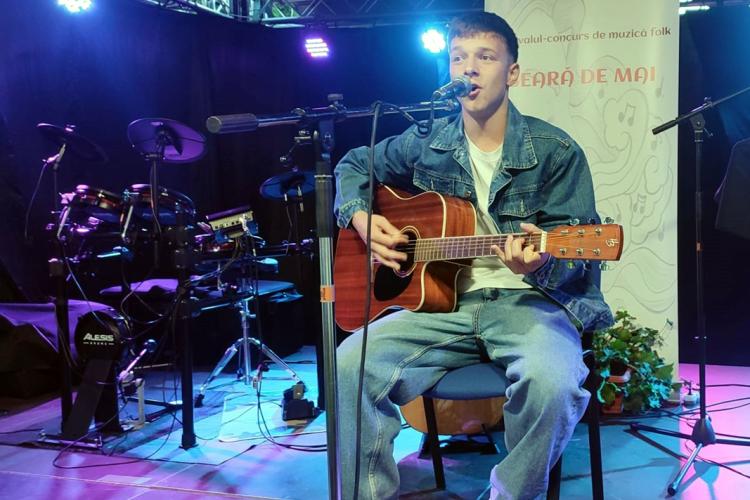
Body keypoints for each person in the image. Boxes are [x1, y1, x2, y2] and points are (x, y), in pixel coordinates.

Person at [333, 11, 613, 500]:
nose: (469, 68)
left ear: (512, 72)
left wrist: (541, 262)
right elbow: (354, 164)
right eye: (459, 57)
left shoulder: (555, 150)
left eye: (485, 57)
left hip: (529, 304)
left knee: (553, 384)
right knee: (349, 364)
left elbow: (579, 253)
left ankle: (507, 494)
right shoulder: (428, 142)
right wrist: (360, 217)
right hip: (444, 305)